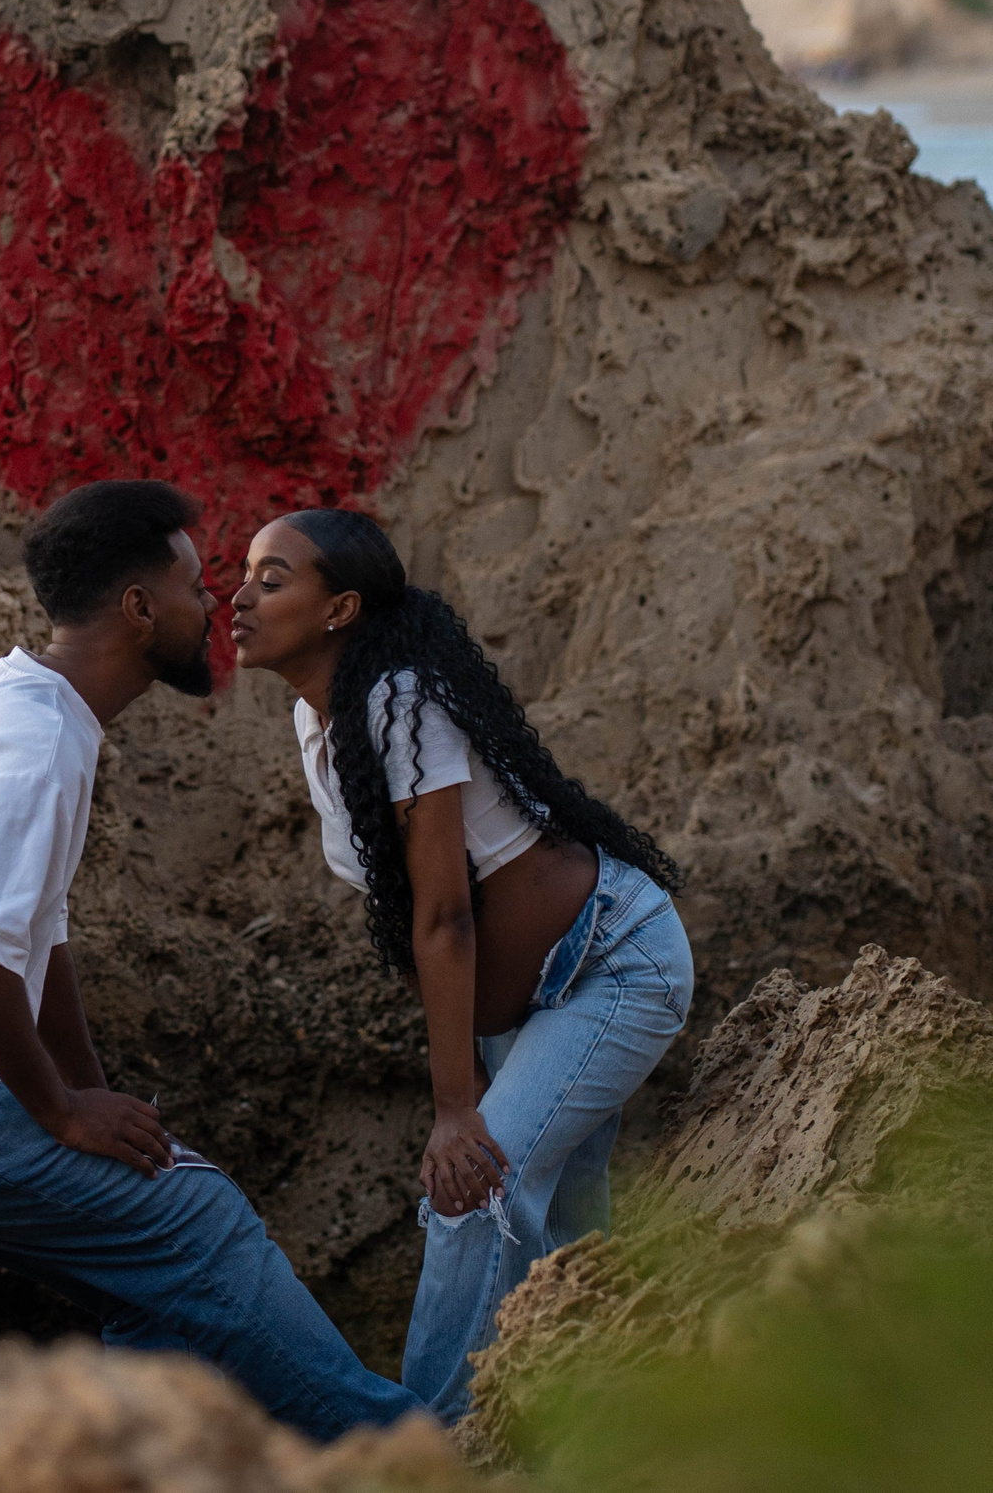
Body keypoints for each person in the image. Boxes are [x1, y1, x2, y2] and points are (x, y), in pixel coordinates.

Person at [0, 480, 419, 1441]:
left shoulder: (20, 693)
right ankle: (402, 1448)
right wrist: (59, 1111)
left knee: (153, 1261)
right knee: (198, 1222)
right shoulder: (35, 741)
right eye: (192, 585)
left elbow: (38, 933)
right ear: (139, 610)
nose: (214, 605)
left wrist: (93, 1094)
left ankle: (134, 1456)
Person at [228, 507, 694, 1422]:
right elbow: (411, 914)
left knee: (474, 1190)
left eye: (272, 578)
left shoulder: (401, 701)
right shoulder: (315, 719)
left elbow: (445, 917)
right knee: (563, 1226)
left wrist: (455, 1105)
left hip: (612, 961)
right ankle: (589, 1424)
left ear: (340, 608)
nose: (240, 596)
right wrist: (471, 1064)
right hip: (527, 1002)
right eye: (243, 574)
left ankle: (431, 1451)